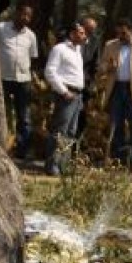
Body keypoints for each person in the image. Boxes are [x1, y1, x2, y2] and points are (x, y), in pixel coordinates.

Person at [96, 18, 132, 172]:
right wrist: (109, 66)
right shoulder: (110, 45)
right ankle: (119, 158)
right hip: (116, 88)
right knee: (116, 125)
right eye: (118, 33)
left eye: (123, 32)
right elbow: (101, 67)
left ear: (130, 30)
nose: (120, 36)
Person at [42, 21, 87, 175]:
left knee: (71, 131)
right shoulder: (59, 49)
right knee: (60, 130)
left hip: (77, 95)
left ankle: (63, 165)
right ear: (72, 34)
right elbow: (50, 72)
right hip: (66, 94)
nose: (84, 35)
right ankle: (52, 165)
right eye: (81, 32)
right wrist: (63, 91)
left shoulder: (78, 50)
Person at [0, 5, 39, 158]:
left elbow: (33, 57)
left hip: (23, 80)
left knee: (24, 117)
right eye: (23, 14)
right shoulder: (0, 28)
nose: (25, 18)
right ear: (16, 13)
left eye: (28, 16)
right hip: (3, 78)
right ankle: (0, 148)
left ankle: (23, 151)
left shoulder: (31, 36)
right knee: (2, 114)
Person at [74, 16, 101, 140]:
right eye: (87, 29)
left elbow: (95, 64)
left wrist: (93, 82)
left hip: (85, 84)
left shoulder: (95, 41)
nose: (89, 33)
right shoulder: (71, 40)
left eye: (92, 30)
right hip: (70, 83)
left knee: (82, 116)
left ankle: (77, 146)